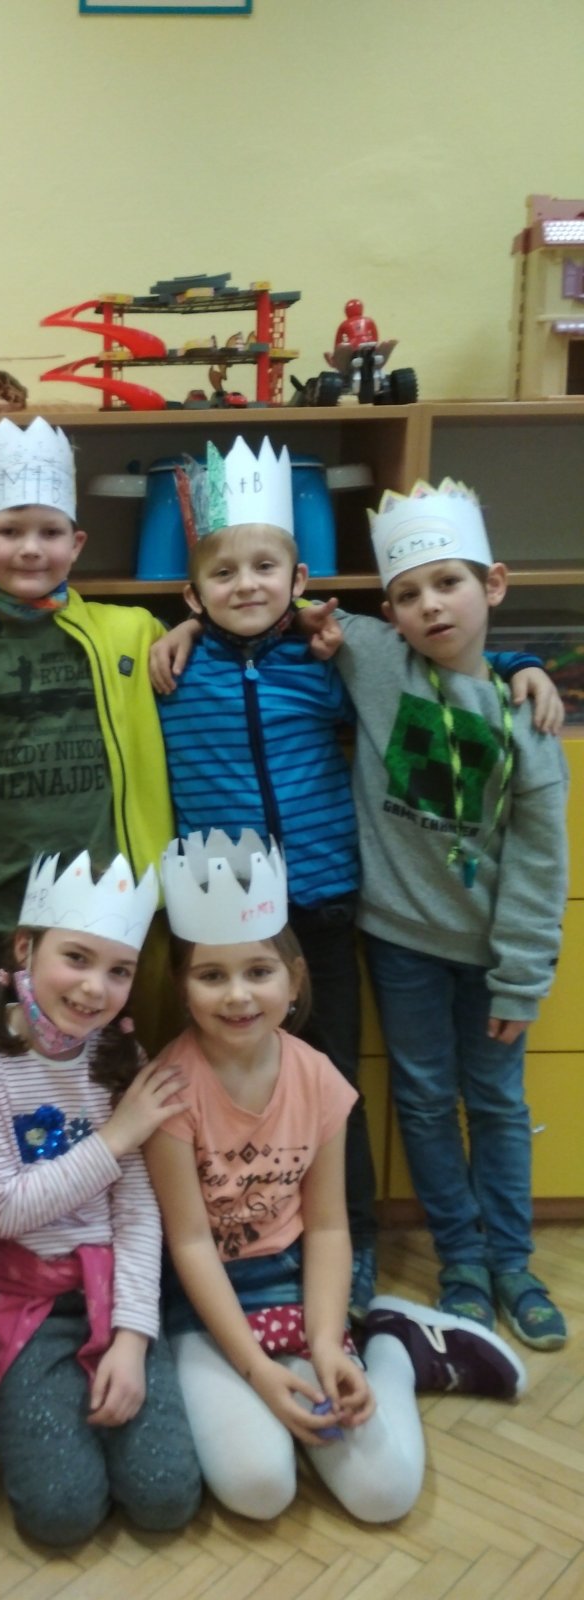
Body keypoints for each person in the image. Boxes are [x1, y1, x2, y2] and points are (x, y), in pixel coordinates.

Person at [149, 436, 561, 1320]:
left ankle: (360, 1240)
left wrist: (524, 662)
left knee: (338, 1081)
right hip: (221, 918)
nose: (247, 585)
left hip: (330, 904)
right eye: (224, 574)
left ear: (299, 580)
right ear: (192, 593)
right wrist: (183, 632)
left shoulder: (332, 661)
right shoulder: (175, 673)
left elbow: (440, 654)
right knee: (227, 1083)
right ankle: (240, 1239)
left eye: (268, 568)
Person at [145, 829, 527, 1524]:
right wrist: (258, 1370)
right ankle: (280, 1381)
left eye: (259, 971)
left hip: (297, 1287)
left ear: (294, 979)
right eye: (212, 975)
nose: (238, 995)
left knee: (384, 1495)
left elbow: (326, 1226)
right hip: (204, 1307)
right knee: (259, 1488)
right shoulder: (169, 1091)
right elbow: (190, 1244)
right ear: (181, 985)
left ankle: (393, 1347)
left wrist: (324, 1344)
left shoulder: (318, 1078)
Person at [326, 479, 570, 1350]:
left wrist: (522, 976)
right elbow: (282, 607)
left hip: (492, 956)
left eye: (449, 584)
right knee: (426, 1102)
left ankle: (513, 1262)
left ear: (493, 585)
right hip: (401, 944)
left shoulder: (528, 719)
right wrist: (186, 627)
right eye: (407, 593)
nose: (430, 605)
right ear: (388, 611)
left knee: (497, 1103)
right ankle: (461, 1260)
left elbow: (540, 865)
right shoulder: (375, 660)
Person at [0, 416, 175, 1132]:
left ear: (76, 544)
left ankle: (100, 1201)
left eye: (50, 532)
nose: (30, 548)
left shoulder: (132, 631)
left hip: (103, 907)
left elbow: (245, 623)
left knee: (107, 1073)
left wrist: (203, 624)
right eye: (10, 530)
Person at [0, 850, 202, 1546]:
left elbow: (138, 1213)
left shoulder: (122, 1059)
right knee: (60, 1514)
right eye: (77, 959)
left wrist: (133, 1338)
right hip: (24, 1302)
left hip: (116, 1292)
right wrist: (117, 1136)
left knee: (165, 1497)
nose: (95, 988)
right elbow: (3, 1210)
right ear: (24, 949)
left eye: (119, 971)